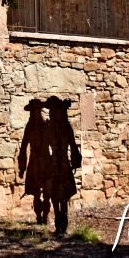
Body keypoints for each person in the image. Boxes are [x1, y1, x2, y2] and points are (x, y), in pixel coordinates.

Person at [44, 96, 82, 234]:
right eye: (53, 111)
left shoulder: (66, 128)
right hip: (54, 164)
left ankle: (63, 222)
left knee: (64, 195)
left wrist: (75, 159)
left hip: (64, 164)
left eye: (57, 111)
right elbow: (44, 147)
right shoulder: (49, 128)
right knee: (54, 194)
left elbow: (73, 146)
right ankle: (58, 222)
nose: (55, 114)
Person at [17, 98, 52, 224]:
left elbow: (53, 144)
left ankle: (45, 216)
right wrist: (22, 168)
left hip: (46, 161)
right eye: (33, 111)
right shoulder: (30, 127)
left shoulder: (46, 125)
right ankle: (39, 217)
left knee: (47, 191)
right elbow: (23, 146)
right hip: (35, 162)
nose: (35, 113)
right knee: (36, 192)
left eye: (37, 110)